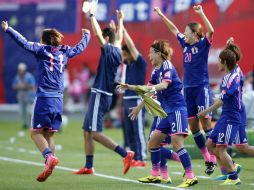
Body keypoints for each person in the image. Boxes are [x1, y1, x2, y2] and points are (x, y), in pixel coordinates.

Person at [1, 21, 91, 182]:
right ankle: (49, 163)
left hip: (44, 97)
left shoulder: (41, 49)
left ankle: (49, 157)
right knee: (49, 133)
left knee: (35, 133)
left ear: (44, 40)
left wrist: (9, 30)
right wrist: (87, 35)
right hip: (58, 99)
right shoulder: (65, 51)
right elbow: (79, 48)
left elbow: (24, 42)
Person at [118, 40, 198, 188]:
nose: (149, 56)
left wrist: (150, 89)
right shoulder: (155, 70)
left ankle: (190, 176)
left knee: (177, 144)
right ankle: (155, 175)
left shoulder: (167, 66)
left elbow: (164, 85)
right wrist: (138, 105)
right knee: (153, 143)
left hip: (177, 109)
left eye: (151, 53)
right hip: (166, 112)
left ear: (159, 54)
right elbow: (147, 91)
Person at [154, 5, 216, 174]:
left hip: (201, 88)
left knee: (206, 124)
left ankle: (216, 156)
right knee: (194, 127)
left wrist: (201, 13)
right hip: (187, 90)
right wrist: (161, 15)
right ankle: (207, 158)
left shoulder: (203, 44)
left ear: (195, 34)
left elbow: (210, 30)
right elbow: (173, 29)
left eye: (186, 31)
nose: (183, 33)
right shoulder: (185, 44)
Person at [73, 8, 134, 175]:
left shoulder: (109, 49)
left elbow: (98, 35)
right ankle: (88, 166)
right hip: (103, 94)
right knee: (87, 131)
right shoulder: (116, 49)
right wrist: (120, 20)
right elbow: (119, 36)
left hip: (101, 94)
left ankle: (125, 153)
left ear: (107, 39)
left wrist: (92, 15)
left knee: (94, 133)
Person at [197, 48, 242, 185]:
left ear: (225, 62)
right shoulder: (228, 76)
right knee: (210, 144)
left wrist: (205, 111)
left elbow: (222, 100)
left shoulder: (232, 78)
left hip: (231, 117)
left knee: (221, 148)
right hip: (225, 116)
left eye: (219, 61)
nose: (218, 64)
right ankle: (232, 166)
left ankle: (233, 177)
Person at [212, 38, 254, 181]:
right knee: (242, 148)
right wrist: (229, 45)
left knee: (229, 147)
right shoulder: (235, 69)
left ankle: (231, 172)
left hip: (234, 113)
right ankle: (229, 169)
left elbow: (223, 99)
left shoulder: (234, 74)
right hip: (234, 112)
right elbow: (229, 56)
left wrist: (207, 110)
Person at [121, 26, 147, 167]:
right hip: (126, 100)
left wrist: (124, 31)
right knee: (129, 132)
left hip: (136, 100)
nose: (123, 58)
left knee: (138, 130)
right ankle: (133, 156)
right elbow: (122, 49)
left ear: (131, 53)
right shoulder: (128, 65)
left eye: (125, 54)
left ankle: (142, 158)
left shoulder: (139, 63)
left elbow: (130, 45)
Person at [12, 62, 36, 129]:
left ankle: (30, 124)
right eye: (19, 70)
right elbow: (14, 86)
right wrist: (19, 86)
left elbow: (33, 86)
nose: (20, 72)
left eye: (21, 70)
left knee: (29, 111)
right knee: (22, 111)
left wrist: (25, 86)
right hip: (21, 96)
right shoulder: (17, 77)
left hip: (29, 96)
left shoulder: (29, 76)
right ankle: (24, 124)